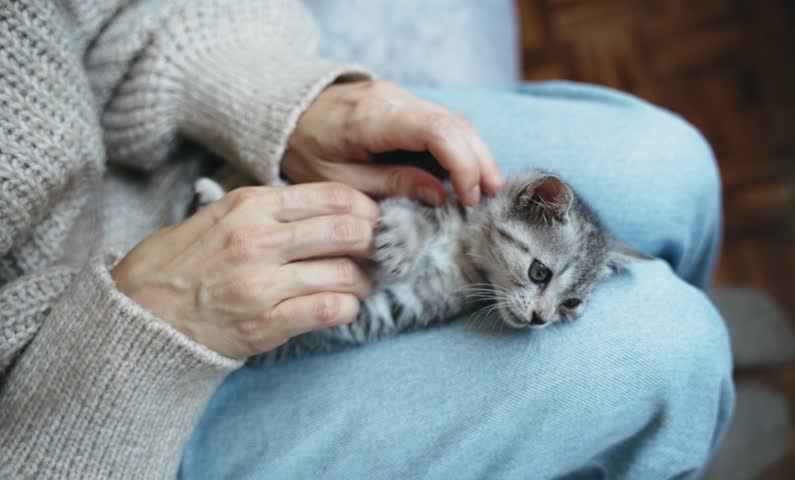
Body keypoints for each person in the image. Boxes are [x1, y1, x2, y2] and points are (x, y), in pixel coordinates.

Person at [0, 1, 733, 478]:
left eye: (560, 306)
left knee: (677, 165)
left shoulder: (523, 250)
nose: (541, 317)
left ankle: (659, 422)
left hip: (177, 160)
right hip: (100, 422)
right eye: (548, 292)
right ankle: (666, 427)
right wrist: (145, 329)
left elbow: (109, 14)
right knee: (674, 353)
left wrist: (288, 100)